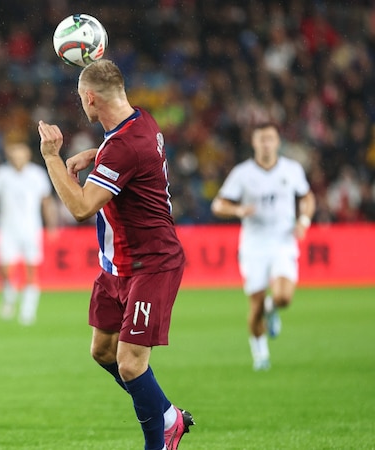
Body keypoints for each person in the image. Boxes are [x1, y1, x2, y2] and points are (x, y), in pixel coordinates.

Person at [37, 59, 193, 450]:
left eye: (80, 98)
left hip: (151, 264)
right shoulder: (139, 120)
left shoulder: (124, 146)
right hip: (117, 265)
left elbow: (81, 207)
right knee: (103, 351)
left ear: (90, 98)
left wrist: (52, 157)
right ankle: (168, 414)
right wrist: (98, 153)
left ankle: (160, 440)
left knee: (130, 362)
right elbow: (126, 153)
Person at [211, 122, 315, 371]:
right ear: (254, 143)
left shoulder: (291, 170)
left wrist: (304, 220)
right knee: (255, 304)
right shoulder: (242, 173)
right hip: (254, 245)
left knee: (283, 297)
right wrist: (237, 209)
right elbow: (218, 205)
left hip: (283, 241)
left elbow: (307, 197)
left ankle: (272, 308)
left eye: (270, 138)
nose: (266, 143)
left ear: (278, 142)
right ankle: (260, 355)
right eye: (261, 139)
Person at [0, 141, 57, 325]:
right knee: (4, 267)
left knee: (31, 268)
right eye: (15, 156)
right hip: (7, 228)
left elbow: (46, 201)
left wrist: (52, 223)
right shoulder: (1, 174)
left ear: (27, 156)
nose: (18, 159)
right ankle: (9, 295)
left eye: (21, 156)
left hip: (31, 228)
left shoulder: (37, 174)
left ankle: (28, 311)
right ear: (10, 157)